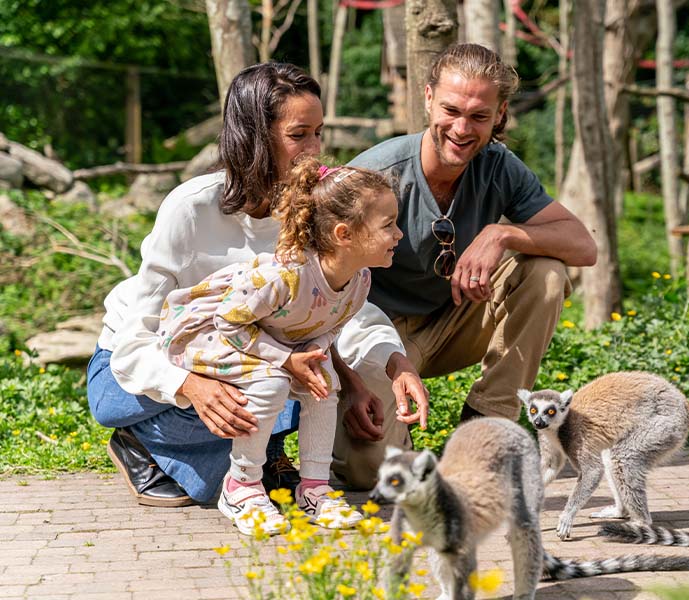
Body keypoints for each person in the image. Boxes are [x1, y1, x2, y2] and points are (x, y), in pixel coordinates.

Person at [87, 61, 428, 507]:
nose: (314, 150)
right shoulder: (191, 209)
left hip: (247, 366)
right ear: (254, 136)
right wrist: (192, 386)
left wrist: (393, 363)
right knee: (273, 403)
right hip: (137, 370)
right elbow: (137, 340)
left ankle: (236, 460)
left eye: (318, 133)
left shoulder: (309, 213)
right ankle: (141, 441)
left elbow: (340, 303)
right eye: (298, 134)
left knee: (306, 400)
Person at [330, 43, 597, 489]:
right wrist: (352, 377)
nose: (461, 128)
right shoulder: (377, 175)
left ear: (500, 113)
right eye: (452, 110)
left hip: (457, 320)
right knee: (370, 473)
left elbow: (583, 247)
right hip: (377, 334)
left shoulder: (499, 167)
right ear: (428, 97)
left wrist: (502, 234)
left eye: (478, 116)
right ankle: (411, 451)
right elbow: (317, 284)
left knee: (546, 273)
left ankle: (486, 424)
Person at [158, 157, 402, 534]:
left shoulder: (359, 281)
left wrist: (313, 356)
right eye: (389, 225)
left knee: (324, 383)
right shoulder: (285, 276)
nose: (399, 234)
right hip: (207, 331)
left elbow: (330, 326)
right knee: (270, 383)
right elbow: (228, 320)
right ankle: (241, 486)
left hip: (267, 341)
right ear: (344, 234)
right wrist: (286, 359)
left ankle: (315, 491)